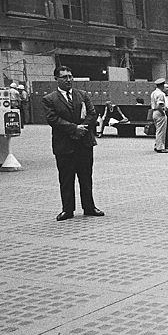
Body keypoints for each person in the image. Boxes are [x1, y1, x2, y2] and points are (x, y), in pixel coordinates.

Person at [42, 66, 104, 221]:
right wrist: (74, 129)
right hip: (64, 145)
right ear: (56, 79)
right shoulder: (50, 99)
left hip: (84, 143)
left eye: (70, 76)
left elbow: (92, 113)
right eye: (64, 77)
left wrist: (82, 129)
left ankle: (89, 207)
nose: (68, 80)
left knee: (86, 177)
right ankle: (67, 210)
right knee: (66, 178)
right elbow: (53, 119)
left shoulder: (82, 95)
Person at [150, 78, 168, 152]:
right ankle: (160, 147)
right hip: (159, 113)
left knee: (158, 130)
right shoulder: (160, 94)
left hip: (154, 112)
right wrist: (163, 112)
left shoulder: (154, 93)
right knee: (161, 131)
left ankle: (157, 145)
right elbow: (159, 105)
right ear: (162, 85)